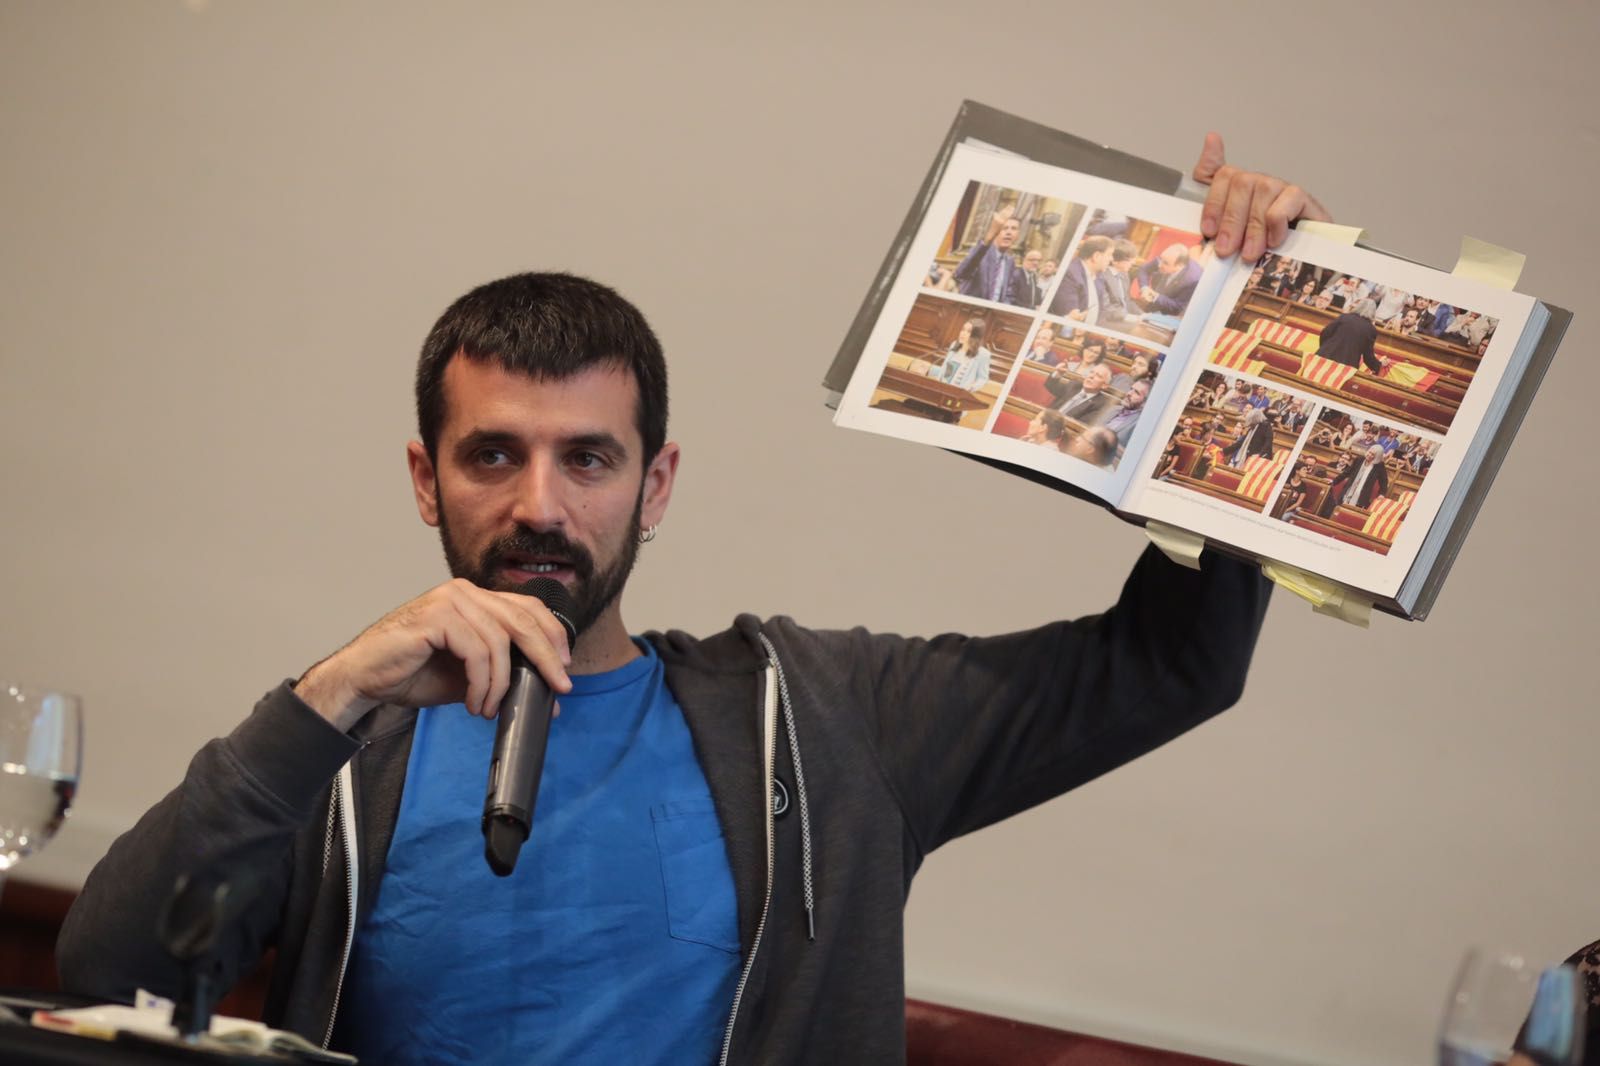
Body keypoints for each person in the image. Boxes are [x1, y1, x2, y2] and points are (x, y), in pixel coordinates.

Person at [58, 137, 1328, 1065]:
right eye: (493, 454)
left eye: (588, 459)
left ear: (654, 484)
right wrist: (331, 692)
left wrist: (1239, 334)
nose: (540, 505)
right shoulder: (344, 746)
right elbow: (104, 972)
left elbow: (1172, 666)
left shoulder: (830, 718)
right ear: (424, 478)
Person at [951, 206, 1023, 303]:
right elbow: (960, 273)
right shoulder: (981, 253)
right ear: (996, 231)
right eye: (1004, 228)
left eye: (1013, 229)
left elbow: (1008, 294)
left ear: (1018, 234)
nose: (1009, 232)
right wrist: (987, 240)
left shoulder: (1010, 262)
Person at [1047, 235, 1112, 320]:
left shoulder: (1100, 277)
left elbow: (1103, 310)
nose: (1111, 259)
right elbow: (1071, 315)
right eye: (1109, 254)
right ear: (1096, 256)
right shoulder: (1070, 274)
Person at [1133, 243, 1203, 316]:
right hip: (1152, 304)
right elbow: (1144, 269)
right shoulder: (1165, 258)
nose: (1159, 265)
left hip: (1172, 315)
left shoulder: (1192, 280)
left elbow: (1178, 306)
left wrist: (1155, 297)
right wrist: (1144, 287)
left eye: (1165, 263)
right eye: (1161, 259)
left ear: (1179, 266)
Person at [931, 316, 993, 392]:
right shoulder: (954, 345)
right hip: (941, 389)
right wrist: (929, 369)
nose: (963, 333)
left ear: (975, 336)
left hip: (958, 393)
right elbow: (947, 371)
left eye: (968, 331)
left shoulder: (983, 354)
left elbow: (983, 378)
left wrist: (970, 388)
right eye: (963, 329)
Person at [1315, 310, 1387, 374]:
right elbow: (1368, 356)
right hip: (1346, 367)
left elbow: (1325, 333)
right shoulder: (1370, 329)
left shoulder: (1344, 317)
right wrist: (1379, 366)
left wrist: (1325, 348)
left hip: (1324, 356)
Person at [1323, 444, 1390, 513]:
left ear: (1377, 457)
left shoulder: (1379, 466)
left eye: (1372, 455)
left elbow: (1384, 481)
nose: (1369, 455)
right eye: (1369, 452)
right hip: (1348, 491)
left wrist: (1382, 493)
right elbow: (1346, 473)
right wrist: (1334, 481)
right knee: (1338, 510)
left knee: (1352, 513)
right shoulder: (1359, 459)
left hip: (1362, 496)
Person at [1051, 363, 1117, 425]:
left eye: (1098, 376)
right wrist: (1058, 373)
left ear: (1104, 385)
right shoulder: (1074, 385)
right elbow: (1052, 387)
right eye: (1091, 372)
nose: (1091, 376)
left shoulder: (1101, 404)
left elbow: (1081, 424)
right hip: (1048, 417)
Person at [1102, 378, 1151, 449]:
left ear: (1145, 403)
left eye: (1137, 393)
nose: (1129, 393)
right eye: (1131, 389)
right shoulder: (1114, 409)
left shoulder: (1139, 424)